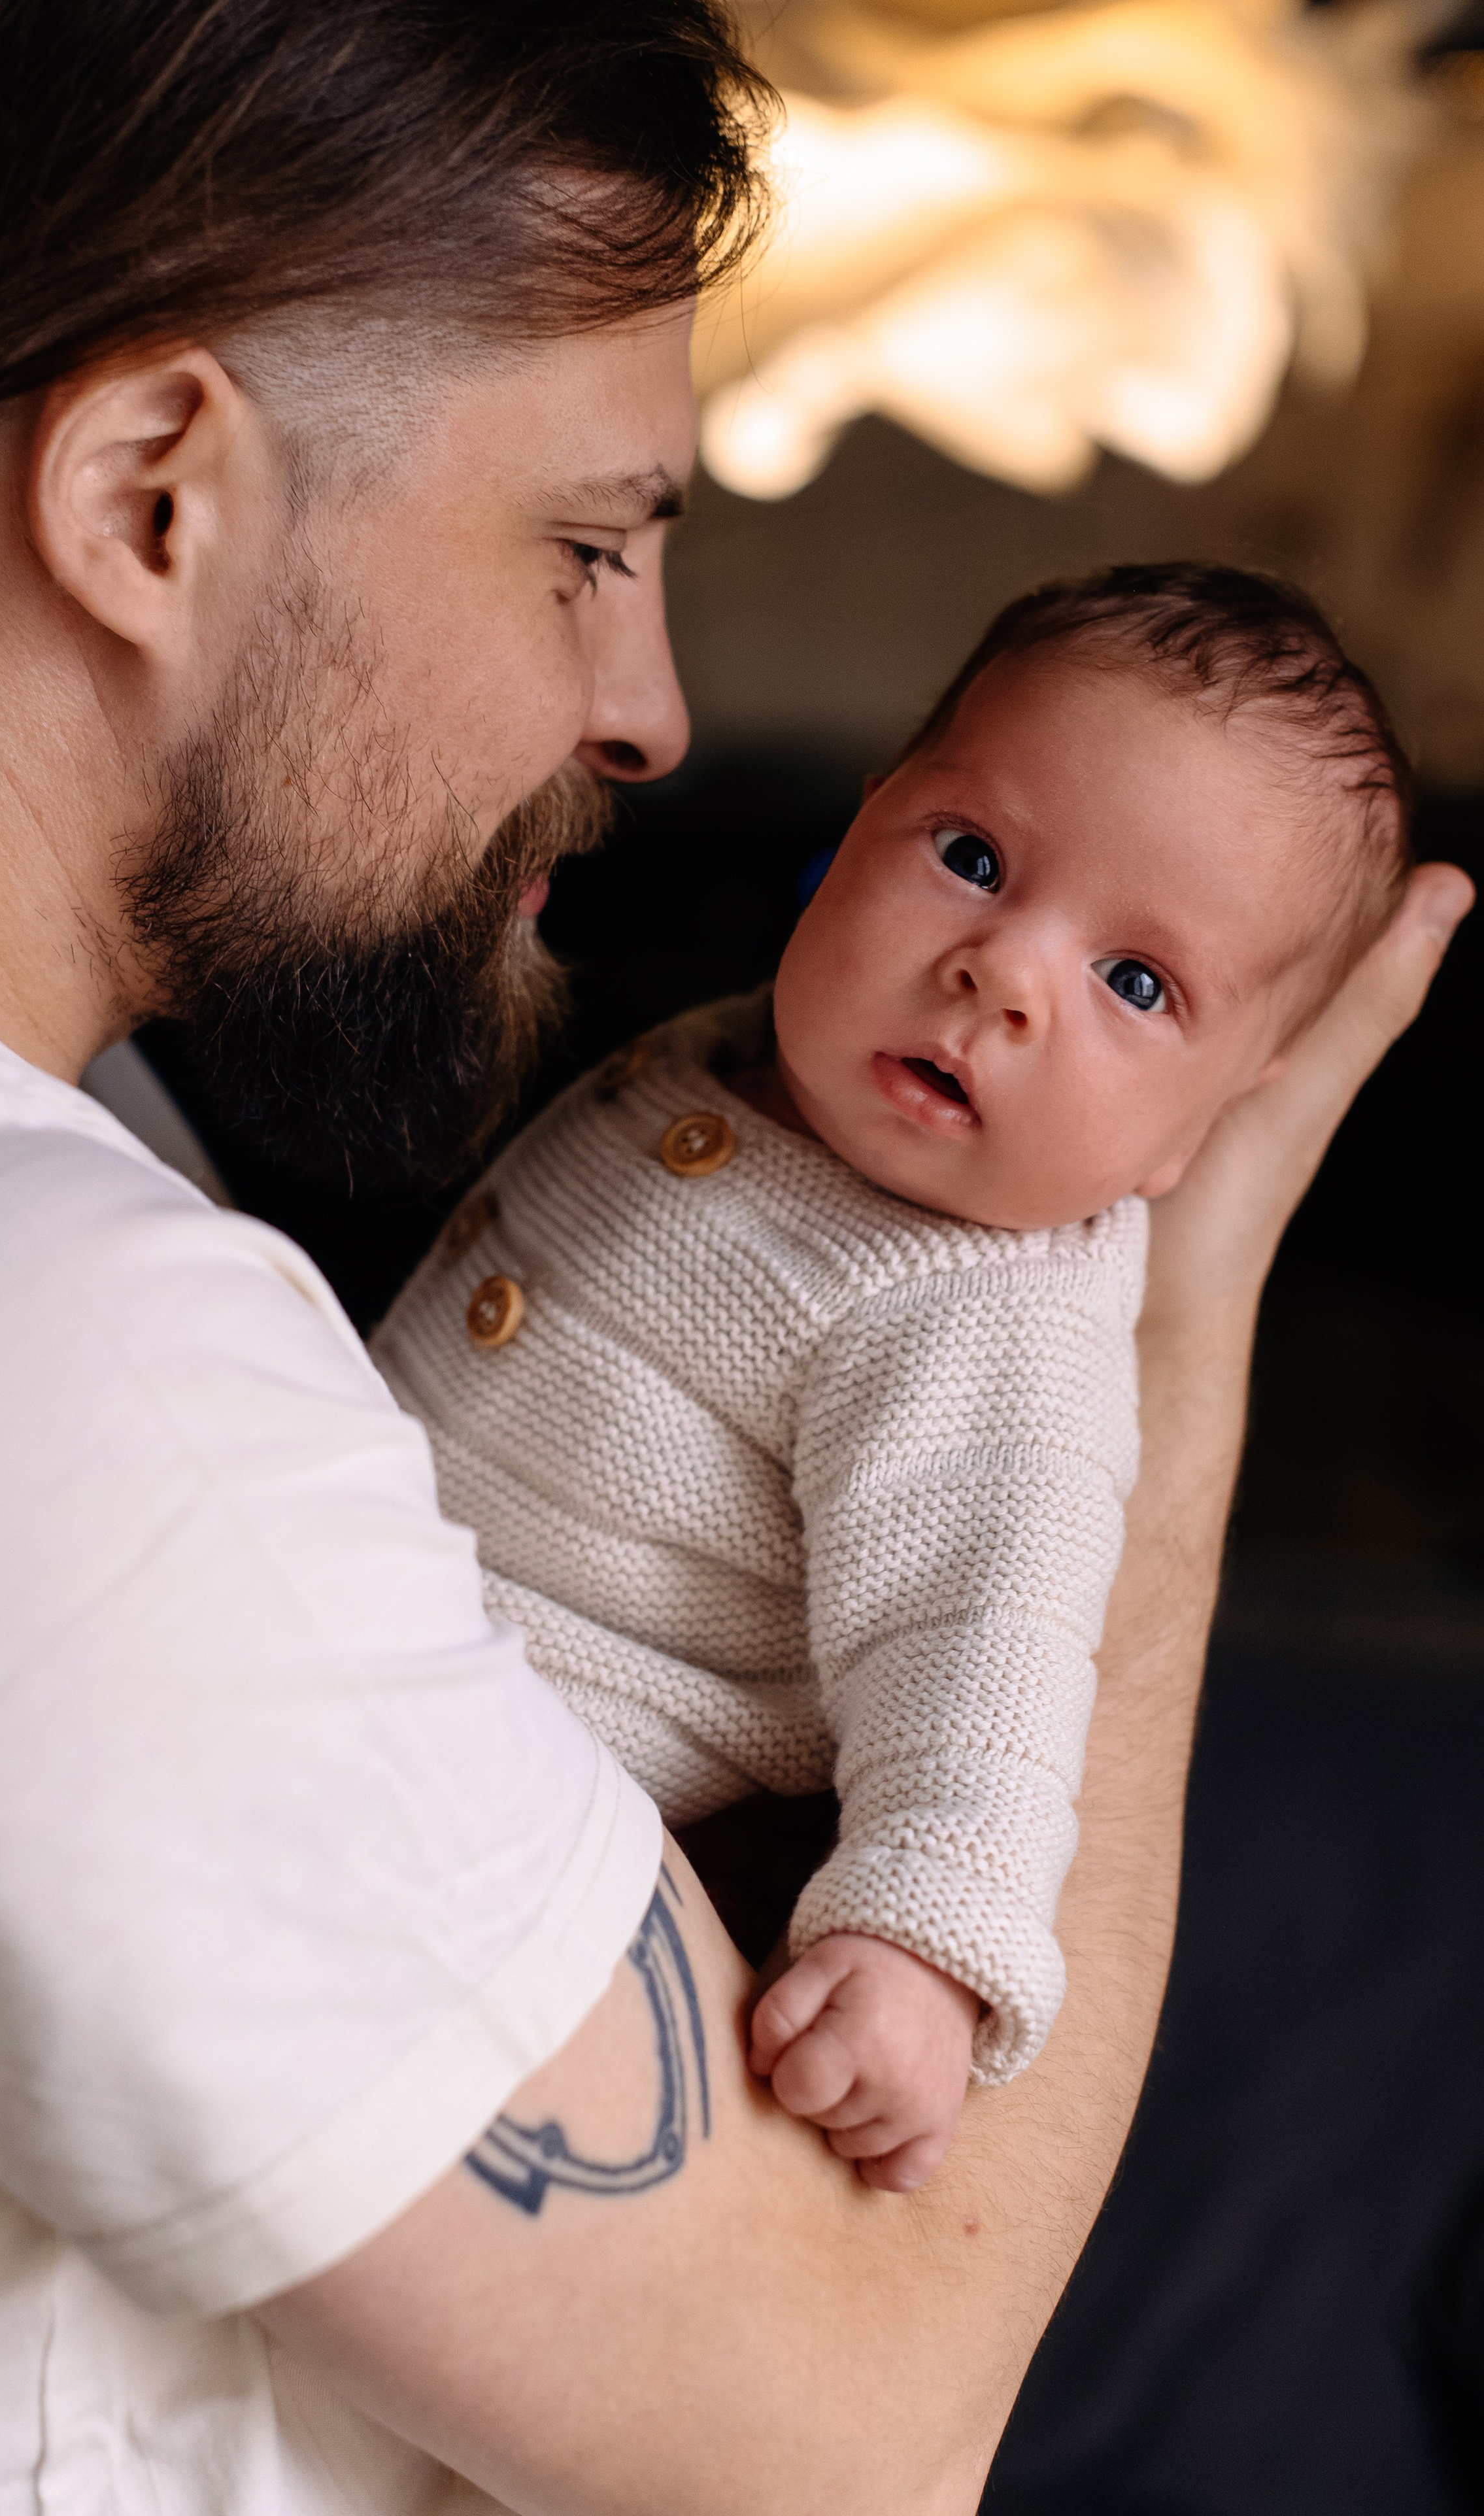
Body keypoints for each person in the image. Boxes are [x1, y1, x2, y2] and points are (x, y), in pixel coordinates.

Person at [0, 7, 1467, 2515]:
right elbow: (853, 2445)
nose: (652, 707)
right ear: (153, 496)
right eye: (585, 545)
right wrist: (1183, 1324)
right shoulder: (10, 1342)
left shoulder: (56, 1157)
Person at [372, 562, 1415, 2195]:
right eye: (972, 858)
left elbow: (983, 1651)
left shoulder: (985, 1323)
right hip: (375, 1636)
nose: (1001, 971)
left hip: (530, 1808)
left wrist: (922, 1945)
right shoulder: (741, 1053)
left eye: (1135, 986)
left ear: (1212, 1115)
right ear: (862, 822)